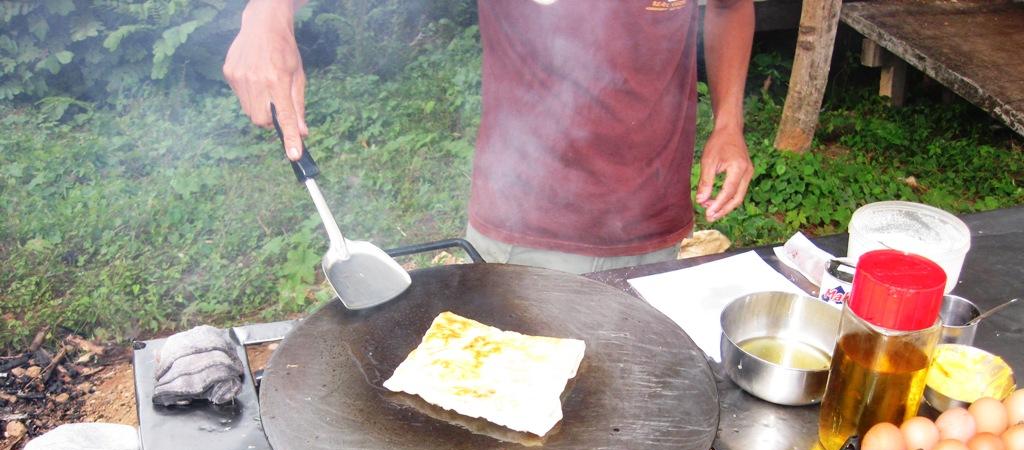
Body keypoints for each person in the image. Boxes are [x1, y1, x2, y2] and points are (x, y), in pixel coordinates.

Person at [224, 0, 754, 274]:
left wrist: (729, 122)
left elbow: (731, 6)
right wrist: (265, 15)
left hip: (655, 225)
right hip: (529, 231)